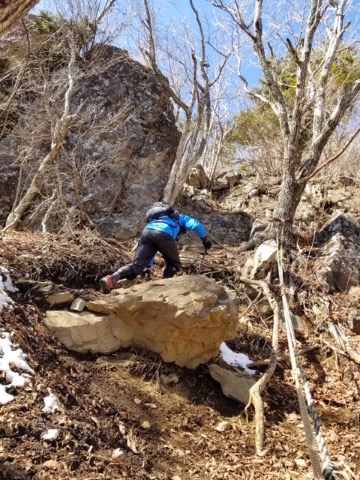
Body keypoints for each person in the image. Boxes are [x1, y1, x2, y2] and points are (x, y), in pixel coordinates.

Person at [100, 202, 212, 293]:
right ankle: (163, 288)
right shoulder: (182, 218)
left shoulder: (156, 220)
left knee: (137, 265)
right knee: (174, 264)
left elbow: (153, 249)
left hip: (147, 232)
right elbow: (196, 224)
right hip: (164, 233)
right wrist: (205, 240)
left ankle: (111, 278)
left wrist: (147, 267)